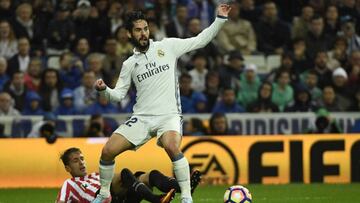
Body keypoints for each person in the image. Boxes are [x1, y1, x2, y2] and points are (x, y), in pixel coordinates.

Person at [93, 5, 231, 203]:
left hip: (169, 115)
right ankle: (105, 194)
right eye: (138, 30)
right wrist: (104, 90)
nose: (144, 33)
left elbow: (200, 40)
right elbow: (117, 96)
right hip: (141, 117)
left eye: (146, 28)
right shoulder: (130, 64)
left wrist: (220, 19)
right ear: (129, 33)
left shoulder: (167, 47)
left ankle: (186, 197)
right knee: (107, 151)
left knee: (172, 146)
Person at [56, 147, 202, 203]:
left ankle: (184, 187)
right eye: (76, 161)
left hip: (121, 199)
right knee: (123, 174)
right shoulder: (69, 184)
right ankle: (156, 199)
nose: (81, 163)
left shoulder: (95, 175)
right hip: (102, 199)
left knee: (149, 176)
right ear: (68, 168)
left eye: (82, 158)